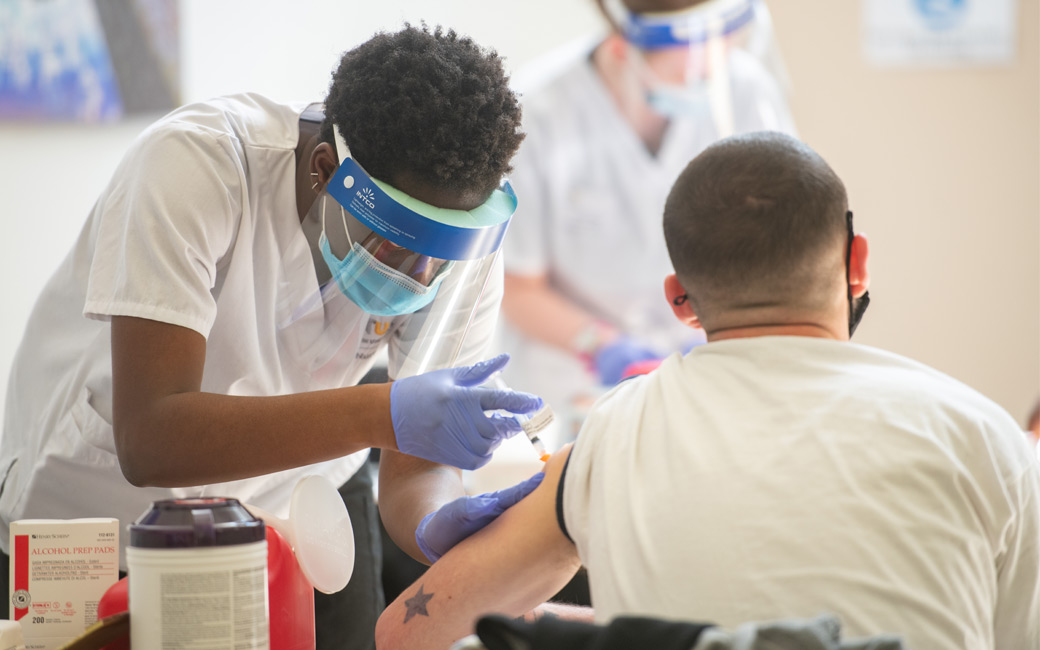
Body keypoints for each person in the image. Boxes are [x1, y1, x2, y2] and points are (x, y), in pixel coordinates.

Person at [374, 132, 1040, 650]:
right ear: (857, 262)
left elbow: (410, 633)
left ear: (679, 301)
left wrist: (613, 628)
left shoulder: (616, 435)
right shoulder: (986, 436)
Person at [0, 24, 544, 650]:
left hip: (297, 521)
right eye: (397, 242)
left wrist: (436, 525)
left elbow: (412, 466)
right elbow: (150, 441)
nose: (422, 276)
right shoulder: (197, 165)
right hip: (97, 521)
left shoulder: (459, 239)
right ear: (323, 170)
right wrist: (381, 413)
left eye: (440, 254)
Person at [498, 0, 797, 438]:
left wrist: (726, 333)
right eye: (693, 71)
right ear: (623, 47)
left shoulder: (746, 90)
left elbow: (777, 245)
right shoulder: (539, 113)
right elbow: (518, 286)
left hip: (704, 373)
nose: (711, 79)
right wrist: (604, 347)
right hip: (571, 388)